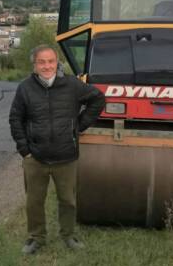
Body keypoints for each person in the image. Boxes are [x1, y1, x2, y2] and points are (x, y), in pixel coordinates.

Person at [9, 44, 105, 255]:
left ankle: (68, 236)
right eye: (41, 62)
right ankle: (36, 238)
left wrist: (78, 126)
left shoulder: (72, 85)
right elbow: (15, 119)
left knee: (68, 201)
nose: (47, 66)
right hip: (36, 158)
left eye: (51, 61)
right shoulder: (25, 88)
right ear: (34, 65)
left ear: (57, 63)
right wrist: (25, 150)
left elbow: (98, 99)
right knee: (34, 202)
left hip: (66, 157)